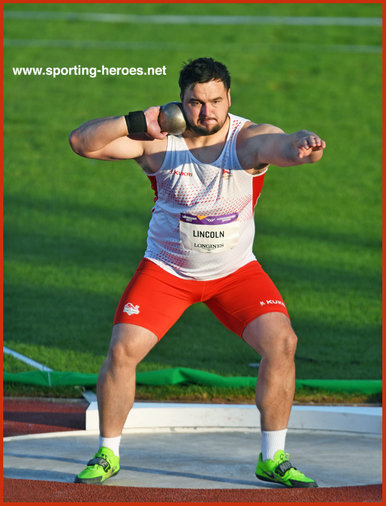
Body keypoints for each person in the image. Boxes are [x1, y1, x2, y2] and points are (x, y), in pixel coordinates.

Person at [69, 57, 325, 488]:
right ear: (180, 101)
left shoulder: (247, 140)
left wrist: (302, 144)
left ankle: (273, 457)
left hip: (235, 274)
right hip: (166, 272)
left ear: (229, 99)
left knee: (282, 342)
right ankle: (108, 454)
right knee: (122, 350)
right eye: (195, 102)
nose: (206, 111)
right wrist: (134, 120)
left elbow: (280, 145)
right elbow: (81, 143)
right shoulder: (157, 141)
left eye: (215, 101)